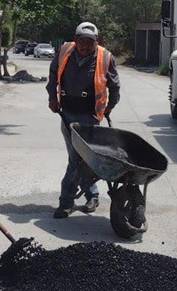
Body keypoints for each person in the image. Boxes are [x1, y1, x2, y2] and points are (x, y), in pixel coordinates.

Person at [46, 21, 121, 219]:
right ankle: (92, 194)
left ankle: (66, 202)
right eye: (81, 40)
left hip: (89, 117)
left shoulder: (105, 57)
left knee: (76, 160)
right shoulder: (64, 51)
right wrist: (52, 98)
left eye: (89, 41)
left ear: (97, 41)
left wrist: (110, 106)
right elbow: (53, 75)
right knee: (80, 159)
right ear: (75, 39)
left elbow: (114, 86)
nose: (85, 45)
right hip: (67, 114)